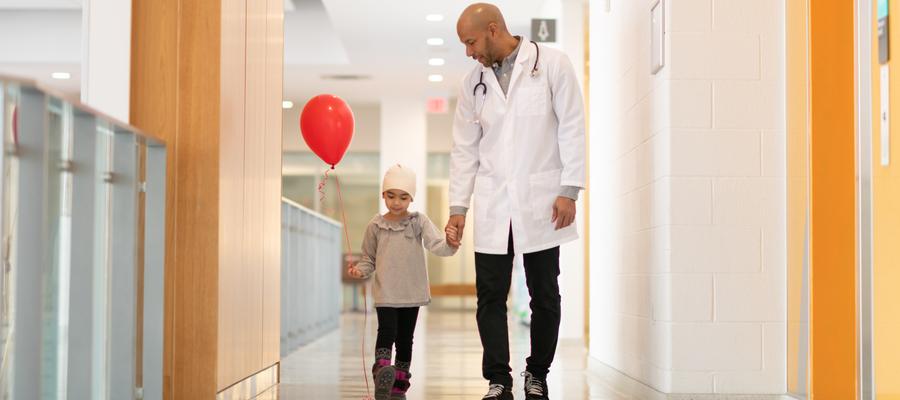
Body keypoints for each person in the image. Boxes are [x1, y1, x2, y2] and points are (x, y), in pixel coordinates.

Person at [445, 3, 586, 400]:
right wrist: (458, 209)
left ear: (493, 30)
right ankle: (498, 381)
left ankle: (536, 374)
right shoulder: (472, 82)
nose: (468, 52)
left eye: (471, 42)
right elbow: (463, 149)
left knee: (544, 293)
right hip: (493, 203)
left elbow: (573, 125)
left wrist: (569, 189)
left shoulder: (552, 64)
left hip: (542, 200)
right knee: (490, 295)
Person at [348, 164, 460, 400]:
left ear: (411, 198)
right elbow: (369, 258)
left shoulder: (418, 221)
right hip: (386, 292)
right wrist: (360, 270)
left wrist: (450, 244)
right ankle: (382, 371)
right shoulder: (375, 226)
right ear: (383, 195)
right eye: (391, 196)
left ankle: (399, 384)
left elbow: (436, 244)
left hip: (412, 291)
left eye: (403, 197)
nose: (396, 202)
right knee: (387, 330)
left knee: (405, 338)